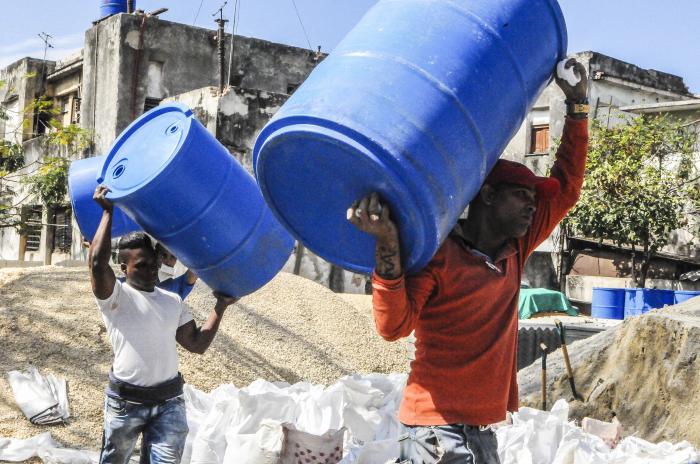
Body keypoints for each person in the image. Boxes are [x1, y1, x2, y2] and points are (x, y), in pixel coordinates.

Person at [347, 58, 589, 463]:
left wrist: (578, 107)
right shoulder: (438, 256)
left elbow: (566, 188)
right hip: (435, 432)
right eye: (522, 197)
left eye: (534, 200)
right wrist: (387, 243)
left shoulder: (515, 248)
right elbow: (392, 327)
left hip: (476, 433)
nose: (533, 208)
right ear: (489, 195)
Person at [89, 185, 237, 464]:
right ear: (124, 269)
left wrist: (220, 307)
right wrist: (108, 213)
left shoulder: (172, 300)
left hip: (169, 402)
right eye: (141, 265)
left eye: (153, 263)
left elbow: (197, 344)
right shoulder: (115, 297)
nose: (151, 270)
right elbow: (97, 264)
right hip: (125, 404)